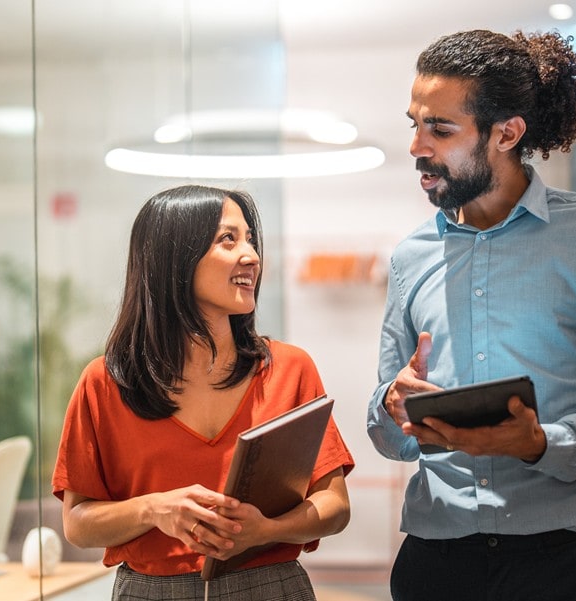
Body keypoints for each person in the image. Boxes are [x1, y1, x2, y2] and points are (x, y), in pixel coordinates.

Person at [366, 29, 576, 600]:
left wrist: (540, 443)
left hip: (562, 562)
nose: (417, 148)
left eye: (441, 129)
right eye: (416, 124)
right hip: (435, 561)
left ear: (506, 133)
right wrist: (391, 403)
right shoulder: (411, 257)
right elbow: (388, 433)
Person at [53, 184, 354, 601]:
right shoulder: (105, 382)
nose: (251, 255)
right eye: (228, 239)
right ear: (173, 259)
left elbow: (335, 506)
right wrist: (154, 509)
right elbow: (78, 523)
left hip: (272, 586)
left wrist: (266, 530)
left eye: (250, 239)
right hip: (149, 591)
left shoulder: (290, 369)